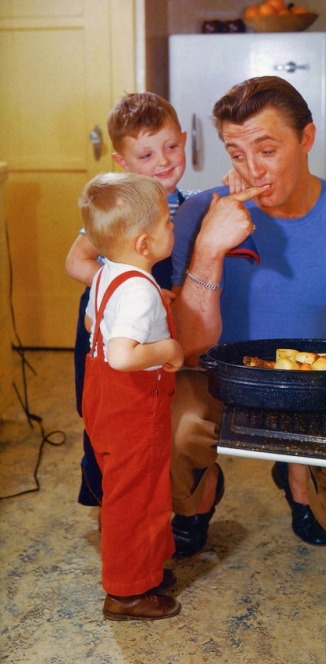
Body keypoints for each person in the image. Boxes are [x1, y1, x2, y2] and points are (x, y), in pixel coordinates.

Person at [168, 76, 326, 556]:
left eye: (266, 150)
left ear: (306, 138)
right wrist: (209, 248)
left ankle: (300, 476)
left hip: (309, 380)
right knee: (172, 432)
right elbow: (193, 350)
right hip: (216, 373)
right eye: (236, 154)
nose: (251, 169)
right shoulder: (201, 212)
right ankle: (195, 501)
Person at [65, 92, 199, 507]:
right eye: (145, 155)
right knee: (105, 415)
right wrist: (129, 286)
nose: (163, 162)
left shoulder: (190, 204)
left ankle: (152, 501)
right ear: (121, 162)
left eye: (171, 146)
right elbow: (76, 261)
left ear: (184, 140)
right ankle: (107, 497)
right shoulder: (120, 206)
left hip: (155, 334)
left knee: (152, 419)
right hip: (111, 328)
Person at [79, 171, 183, 621]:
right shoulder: (139, 288)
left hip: (101, 398)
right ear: (145, 243)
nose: (173, 228)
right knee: (135, 497)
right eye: (167, 223)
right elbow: (124, 356)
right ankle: (126, 593)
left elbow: (91, 326)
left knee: (134, 488)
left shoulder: (107, 274)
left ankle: (146, 568)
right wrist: (168, 348)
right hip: (134, 404)